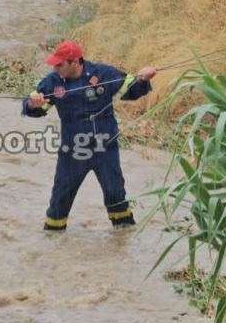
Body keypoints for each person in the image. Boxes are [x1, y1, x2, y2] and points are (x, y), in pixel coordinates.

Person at [22, 40, 157, 230]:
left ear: (75, 62)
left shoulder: (103, 74)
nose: (55, 68)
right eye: (54, 64)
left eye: (60, 64)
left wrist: (143, 79)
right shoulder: (52, 82)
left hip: (105, 148)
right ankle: (53, 240)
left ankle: (124, 236)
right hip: (73, 150)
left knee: (115, 195)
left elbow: (131, 90)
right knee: (61, 198)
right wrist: (32, 104)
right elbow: (31, 107)